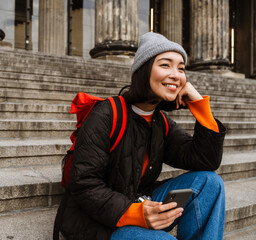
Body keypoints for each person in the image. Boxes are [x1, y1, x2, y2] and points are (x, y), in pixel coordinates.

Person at [54, 32, 227, 240]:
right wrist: (136, 213)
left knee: (210, 182)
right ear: (144, 71)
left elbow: (205, 161)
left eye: (181, 68)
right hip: (97, 223)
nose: (176, 74)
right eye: (165, 65)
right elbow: (84, 184)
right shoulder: (106, 114)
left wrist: (200, 106)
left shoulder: (160, 122)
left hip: (140, 203)